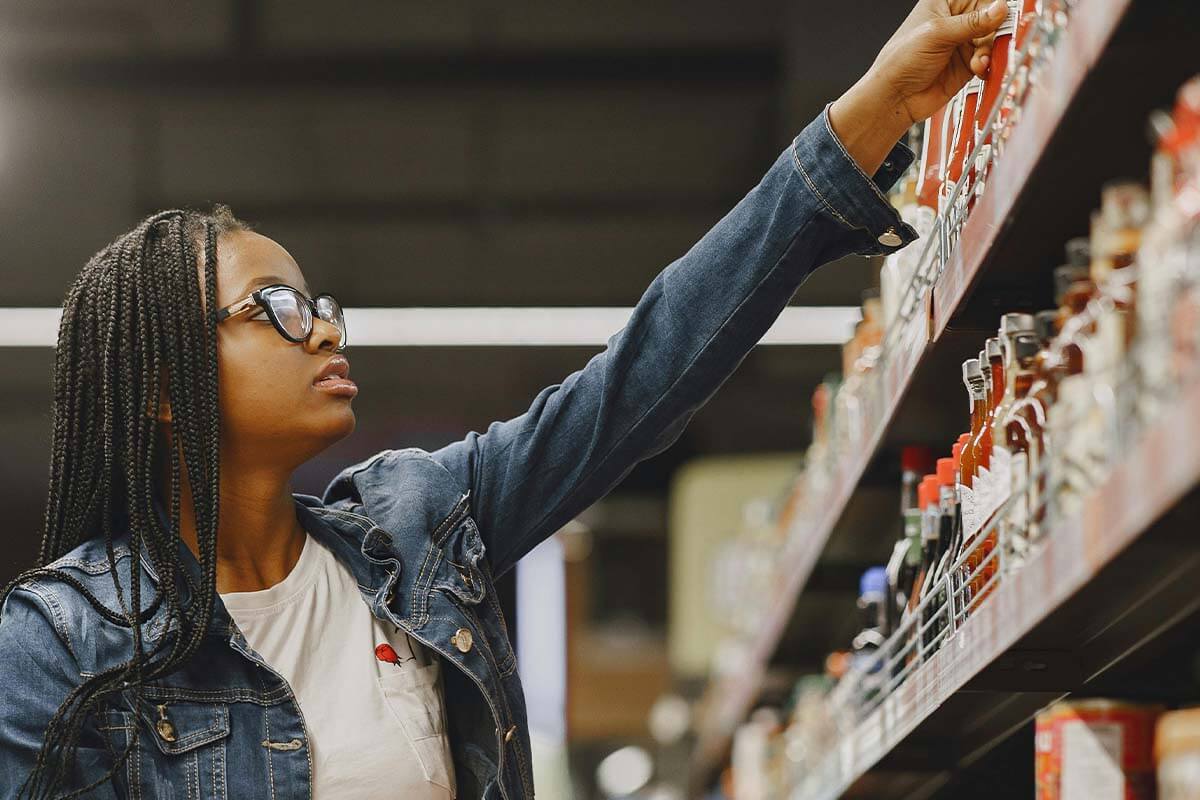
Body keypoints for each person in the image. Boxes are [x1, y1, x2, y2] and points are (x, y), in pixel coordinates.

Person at [0, 2, 1007, 798]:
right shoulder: (63, 645)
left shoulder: (414, 530)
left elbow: (643, 374)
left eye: (322, 301)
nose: (325, 327)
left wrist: (875, 109)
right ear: (163, 387)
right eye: (274, 306)